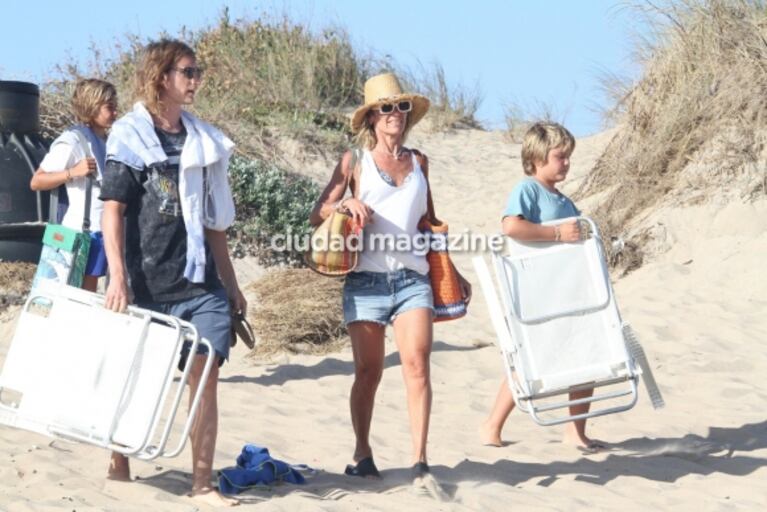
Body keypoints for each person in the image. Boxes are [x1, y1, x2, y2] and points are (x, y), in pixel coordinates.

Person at [100, 39, 245, 507]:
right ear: (162, 76)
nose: (196, 79)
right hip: (146, 279)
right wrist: (118, 276)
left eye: (197, 71)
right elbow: (113, 210)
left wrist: (232, 283)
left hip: (200, 282)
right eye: (188, 71)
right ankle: (120, 456)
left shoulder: (202, 140)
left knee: (204, 375)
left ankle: (201, 481)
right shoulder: (129, 135)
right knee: (138, 377)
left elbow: (212, 221)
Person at [309, 73, 471, 482]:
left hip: (413, 279)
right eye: (385, 108)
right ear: (371, 118)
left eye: (400, 107)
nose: (394, 115)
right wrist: (346, 202)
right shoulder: (353, 162)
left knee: (417, 365)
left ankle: (420, 460)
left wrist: (452, 269)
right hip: (366, 280)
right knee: (369, 373)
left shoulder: (419, 162)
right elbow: (319, 214)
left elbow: (428, 221)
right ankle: (362, 452)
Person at [480, 121, 606, 453]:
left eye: (568, 157)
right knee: (531, 361)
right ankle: (492, 426)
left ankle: (574, 432)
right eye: (560, 156)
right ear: (537, 157)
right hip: (541, 293)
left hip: (570, 291)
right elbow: (511, 226)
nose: (566, 163)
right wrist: (557, 234)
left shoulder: (563, 200)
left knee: (584, 357)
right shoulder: (529, 189)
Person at [30, 78, 118, 292]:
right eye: (110, 107)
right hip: (78, 234)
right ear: (92, 106)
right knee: (71, 298)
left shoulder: (110, 141)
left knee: (90, 299)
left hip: (103, 232)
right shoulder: (73, 140)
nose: (115, 112)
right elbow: (37, 181)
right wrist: (72, 172)